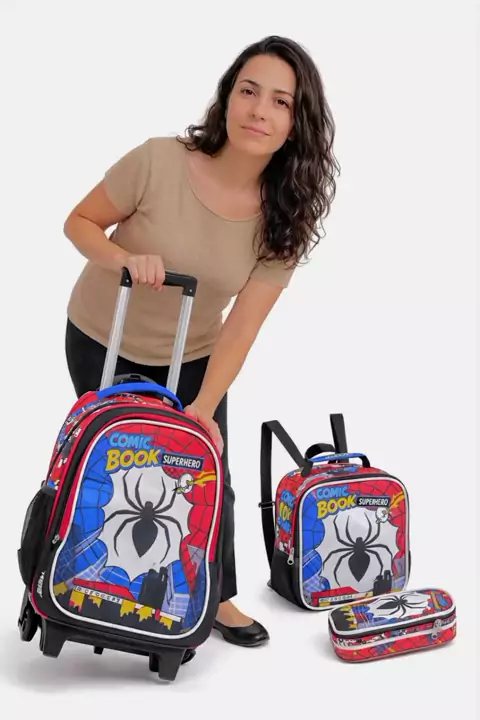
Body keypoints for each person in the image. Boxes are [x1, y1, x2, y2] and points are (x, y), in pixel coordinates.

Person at [63, 34, 340, 648]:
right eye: (248, 91)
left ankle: (215, 596)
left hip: (192, 352)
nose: (259, 111)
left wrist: (205, 407)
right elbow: (78, 222)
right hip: (103, 333)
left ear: (296, 123)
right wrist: (123, 258)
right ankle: (91, 583)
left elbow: (243, 325)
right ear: (227, 97)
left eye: (280, 102)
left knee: (207, 468)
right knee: (115, 461)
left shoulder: (285, 218)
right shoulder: (158, 160)